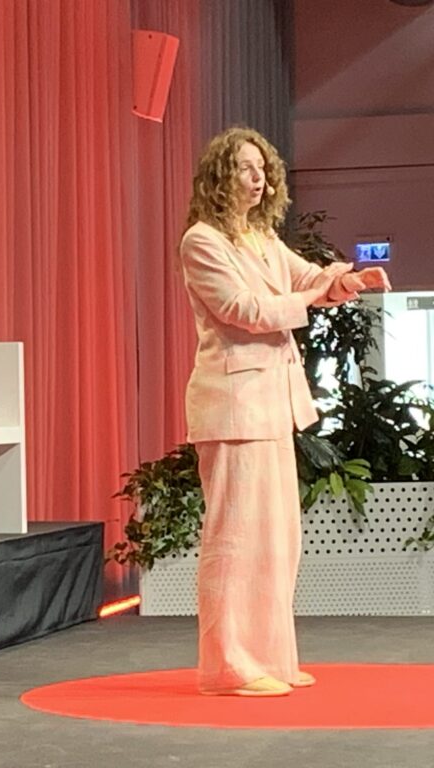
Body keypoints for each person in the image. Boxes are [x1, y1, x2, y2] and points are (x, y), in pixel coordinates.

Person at [179, 127, 390, 697]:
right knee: (235, 540)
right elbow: (242, 310)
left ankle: (269, 657)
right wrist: (312, 296)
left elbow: (308, 279)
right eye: (247, 168)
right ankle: (228, 668)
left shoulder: (262, 238)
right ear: (222, 176)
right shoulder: (203, 241)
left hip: (272, 406)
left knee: (276, 540)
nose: (260, 177)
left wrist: (346, 281)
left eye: (263, 168)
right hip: (231, 406)